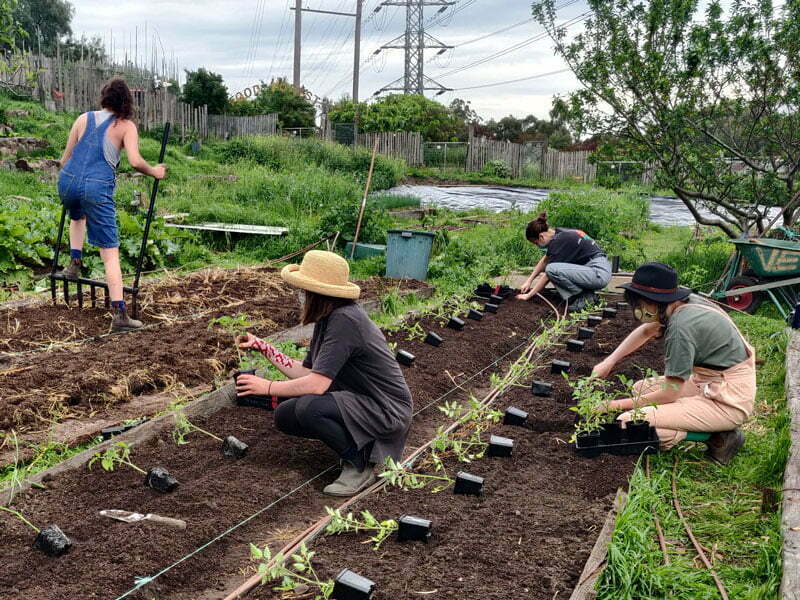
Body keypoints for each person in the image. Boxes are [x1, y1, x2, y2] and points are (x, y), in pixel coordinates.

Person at [235, 250, 413, 496]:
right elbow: (306, 372)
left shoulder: (346, 321)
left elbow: (317, 385)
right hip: (361, 401)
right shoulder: (328, 319)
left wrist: (266, 387)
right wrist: (265, 348)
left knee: (309, 408)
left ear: (317, 293)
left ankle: (360, 462)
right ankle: (356, 446)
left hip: (385, 410)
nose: (301, 296)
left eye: (304, 291)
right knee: (286, 415)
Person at [592, 262, 755, 464]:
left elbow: (670, 392)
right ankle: (695, 420)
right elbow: (645, 331)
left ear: (654, 301)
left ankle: (718, 436)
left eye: (640, 303)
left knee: (627, 422)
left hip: (728, 399)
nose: (638, 310)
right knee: (640, 389)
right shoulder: (682, 303)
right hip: (709, 381)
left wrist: (612, 406)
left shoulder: (681, 328)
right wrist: (610, 361)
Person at [57, 78, 167, 332]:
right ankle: (119, 314)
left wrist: (72, 182)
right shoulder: (126, 125)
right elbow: (136, 161)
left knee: (77, 217)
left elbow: (65, 158)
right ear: (127, 101)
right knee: (110, 252)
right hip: (97, 187)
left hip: (67, 181)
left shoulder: (83, 118)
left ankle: (73, 265)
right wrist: (155, 172)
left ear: (104, 97)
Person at [515, 212, 612, 312]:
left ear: (541, 237)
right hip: (597, 267)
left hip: (598, 272)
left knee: (551, 270)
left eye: (536, 243)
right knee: (553, 268)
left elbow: (547, 275)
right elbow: (545, 260)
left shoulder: (559, 242)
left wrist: (529, 295)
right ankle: (585, 295)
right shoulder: (560, 233)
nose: (537, 246)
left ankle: (583, 297)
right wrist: (529, 281)